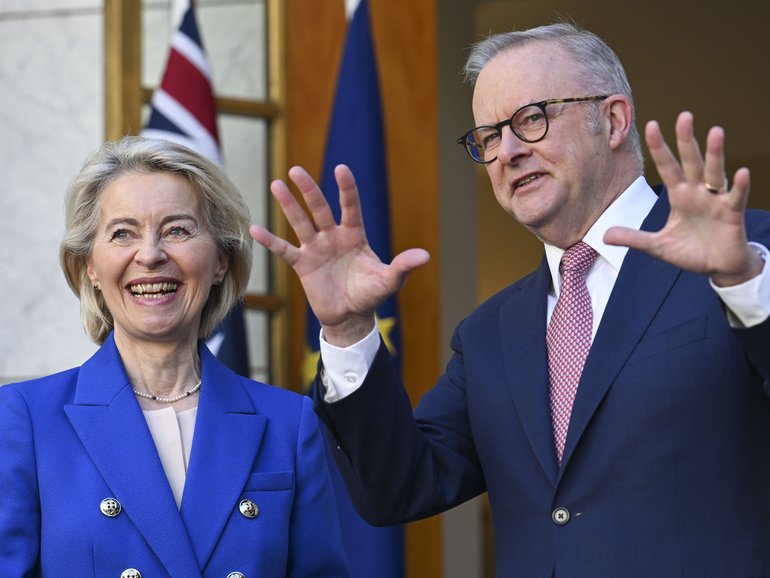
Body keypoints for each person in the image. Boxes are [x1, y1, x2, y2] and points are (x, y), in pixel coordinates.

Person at [250, 22, 770, 577]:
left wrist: (744, 284)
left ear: (614, 120)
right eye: (490, 137)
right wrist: (349, 329)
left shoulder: (746, 257)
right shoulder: (491, 332)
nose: (509, 152)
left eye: (532, 119)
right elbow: (397, 488)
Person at [0, 137, 351, 577]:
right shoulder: (24, 419)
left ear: (221, 260)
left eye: (177, 231)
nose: (150, 255)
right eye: (123, 233)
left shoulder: (289, 424)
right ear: (90, 266)